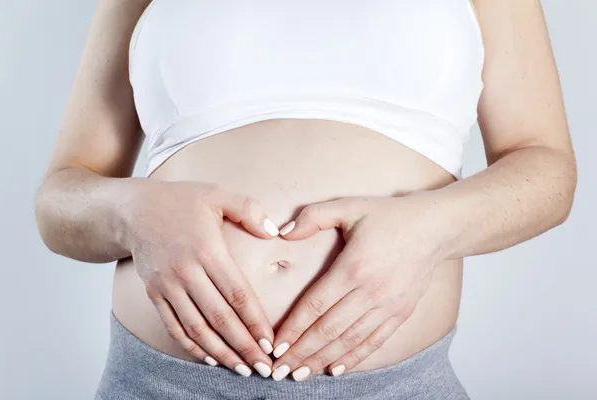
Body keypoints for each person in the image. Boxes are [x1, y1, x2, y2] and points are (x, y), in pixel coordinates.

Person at [34, 0, 577, 399]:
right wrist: (134, 214)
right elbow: (60, 198)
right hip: (161, 383)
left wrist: (427, 228)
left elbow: (548, 170)